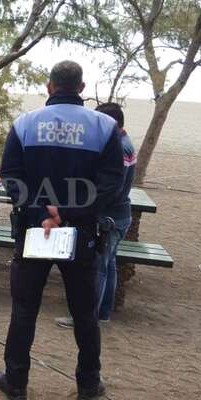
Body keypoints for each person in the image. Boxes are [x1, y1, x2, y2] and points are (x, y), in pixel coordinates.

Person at [0, 61, 124, 400]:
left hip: (35, 230)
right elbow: (112, 183)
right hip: (81, 233)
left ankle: (16, 383)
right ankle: (88, 385)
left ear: (49, 87)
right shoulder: (105, 127)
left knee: (24, 309)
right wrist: (68, 212)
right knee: (85, 313)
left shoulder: (25, 124)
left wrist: (42, 212)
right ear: (81, 88)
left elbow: (11, 176)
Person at [55, 102, 136, 328]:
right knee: (108, 265)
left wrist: (86, 208)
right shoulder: (123, 143)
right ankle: (103, 312)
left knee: (97, 267)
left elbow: (112, 188)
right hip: (119, 215)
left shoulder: (120, 148)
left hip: (110, 218)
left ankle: (84, 317)